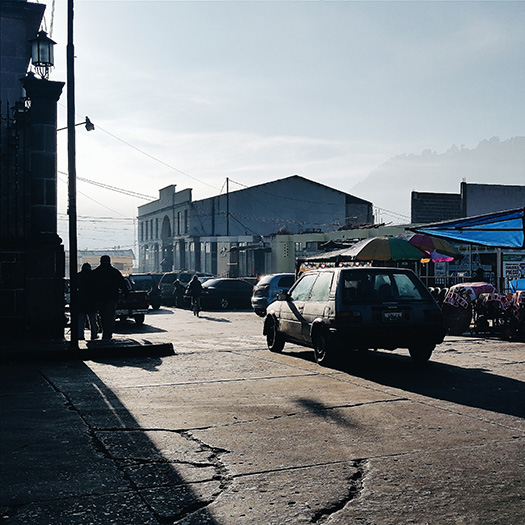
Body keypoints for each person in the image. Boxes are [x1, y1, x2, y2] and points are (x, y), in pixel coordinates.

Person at [91, 255, 129, 340]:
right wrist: (125, 293)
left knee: (102, 316)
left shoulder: (96, 272)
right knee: (110, 316)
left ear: (100, 261)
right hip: (112, 298)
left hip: (99, 298)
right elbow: (122, 283)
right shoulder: (114, 272)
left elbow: (90, 286)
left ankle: (105, 331)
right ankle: (108, 334)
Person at [77, 263, 98, 341]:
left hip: (81, 300)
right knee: (92, 319)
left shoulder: (78, 276)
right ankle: (94, 334)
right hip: (91, 300)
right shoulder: (93, 276)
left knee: (80, 319)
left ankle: (80, 335)